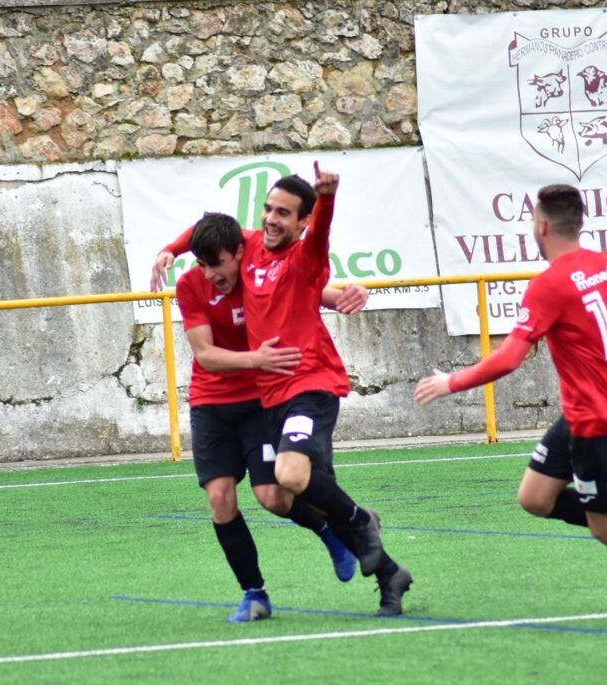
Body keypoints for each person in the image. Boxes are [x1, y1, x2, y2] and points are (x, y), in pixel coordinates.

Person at [415, 184, 607, 623]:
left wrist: (451, 382)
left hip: (600, 427)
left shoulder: (550, 285)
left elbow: (510, 358)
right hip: (580, 418)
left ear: (541, 226)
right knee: (535, 498)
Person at [153, 164, 413, 617]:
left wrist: (327, 199)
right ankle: (374, 572)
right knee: (245, 494)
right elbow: (204, 232)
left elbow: (315, 256)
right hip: (253, 397)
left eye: (284, 213)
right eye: (268, 210)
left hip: (303, 385)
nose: (272, 219)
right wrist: (169, 251)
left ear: (302, 222)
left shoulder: (295, 255)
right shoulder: (242, 252)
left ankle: (356, 525)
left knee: (285, 485)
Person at [165, 212, 368, 623]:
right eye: (202, 264)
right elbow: (205, 354)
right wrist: (256, 359)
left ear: (239, 254)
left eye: (217, 264)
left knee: (273, 498)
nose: (210, 274)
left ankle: (328, 532)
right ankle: (254, 594)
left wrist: (346, 295)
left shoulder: (260, 273)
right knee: (219, 497)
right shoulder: (190, 285)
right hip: (211, 403)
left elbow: (307, 288)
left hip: (260, 402)